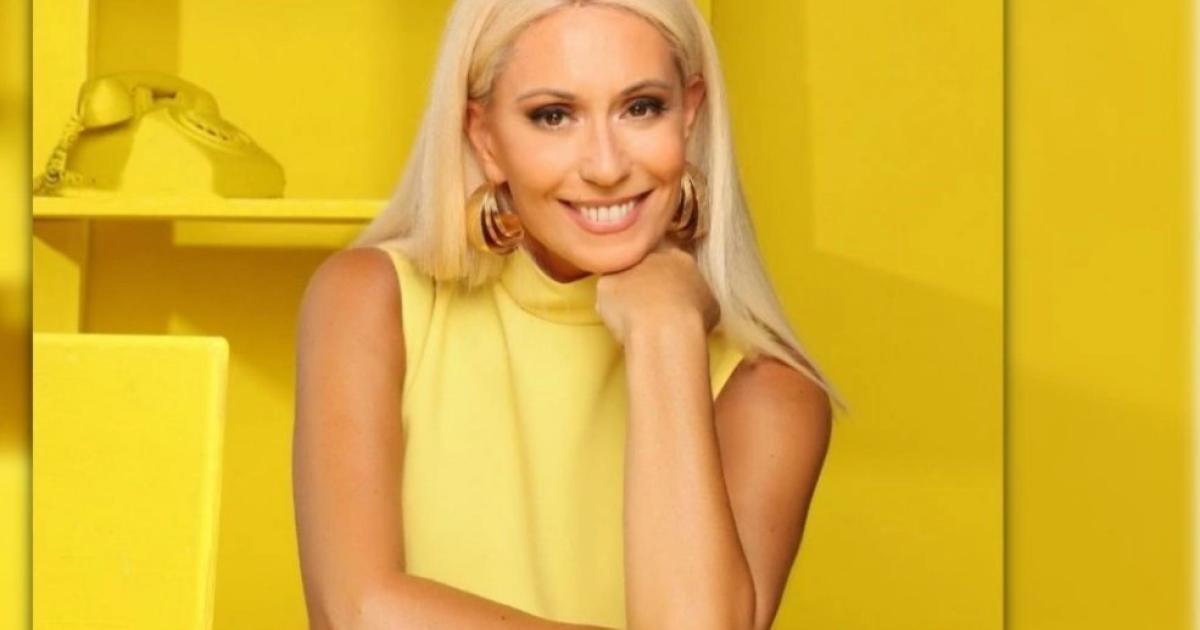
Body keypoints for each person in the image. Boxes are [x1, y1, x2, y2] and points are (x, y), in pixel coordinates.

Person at [292, 1, 847, 628]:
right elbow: (356, 613)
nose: (606, 167)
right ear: (485, 138)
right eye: (553, 116)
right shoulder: (370, 300)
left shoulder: (771, 396)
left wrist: (666, 333)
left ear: (689, 115)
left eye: (642, 107)